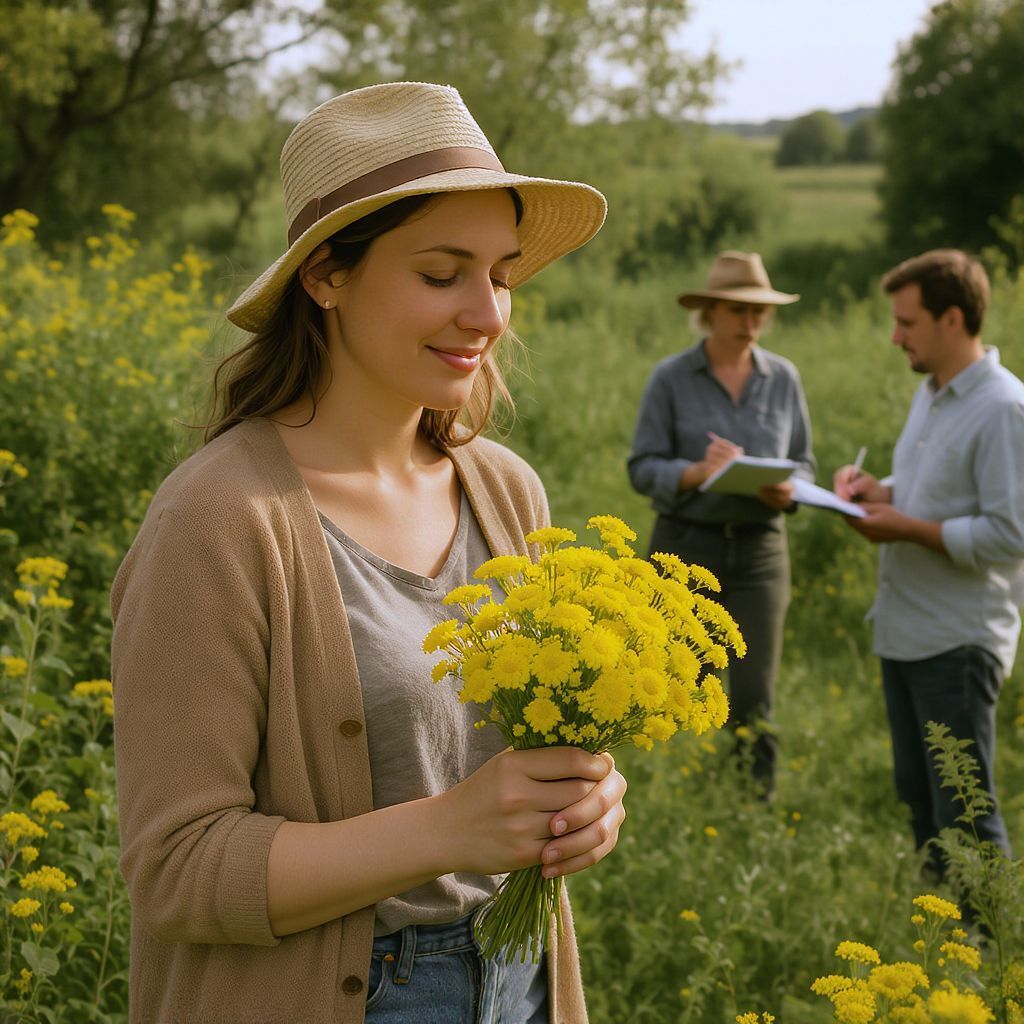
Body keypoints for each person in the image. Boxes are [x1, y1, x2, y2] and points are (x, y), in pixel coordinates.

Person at [110, 82, 627, 1024]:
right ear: (325, 278)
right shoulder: (217, 520)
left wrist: (581, 801)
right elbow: (175, 871)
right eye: (442, 273)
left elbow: (519, 754)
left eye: (502, 274)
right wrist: (448, 828)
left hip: (519, 981)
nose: (488, 314)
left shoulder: (508, 491)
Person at [834, 248, 1024, 872]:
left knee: (965, 812)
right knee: (921, 802)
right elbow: (938, 489)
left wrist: (907, 528)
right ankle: (946, 940)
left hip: (958, 639)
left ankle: (987, 952)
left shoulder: (1003, 408)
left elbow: (1011, 531)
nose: (895, 337)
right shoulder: (934, 394)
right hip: (907, 632)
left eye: (907, 323)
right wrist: (878, 492)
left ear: (952, 319)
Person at [627, 251, 815, 796]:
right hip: (686, 546)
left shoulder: (783, 378)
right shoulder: (671, 377)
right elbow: (642, 466)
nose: (751, 322)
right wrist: (695, 472)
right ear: (709, 311)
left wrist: (788, 487)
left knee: (755, 689)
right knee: (676, 681)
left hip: (761, 549)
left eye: (760, 312)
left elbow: (804, 461)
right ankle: (674, 793)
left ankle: (753, 802)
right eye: (738, 310)